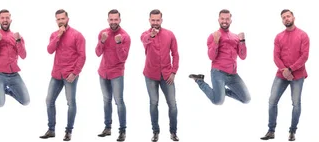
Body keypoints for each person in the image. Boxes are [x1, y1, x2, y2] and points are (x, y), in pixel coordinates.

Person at [260, 9, 309, 142]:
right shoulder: (278, 37)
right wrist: (284, 70)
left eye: (288, 16)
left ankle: (292, 132)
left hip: (297, 75)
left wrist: (290, 69)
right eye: (283, 17)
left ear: (294, 17)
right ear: (282, 20)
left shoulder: (303, 35)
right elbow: (276, 56)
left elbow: (304, 56)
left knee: (296, 103)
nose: (286, 19)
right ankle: (271, 131)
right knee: (272, 102)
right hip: (281, 74)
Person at [38, 9, 86, 141]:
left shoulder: (77, 35)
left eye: (62, 19)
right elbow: (49, 50)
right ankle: (51, 130)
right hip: (56, 74)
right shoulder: (54, 34)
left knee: (71, 103)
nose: (60, 21)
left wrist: (75, 73)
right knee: (49, 100)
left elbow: (82, 56)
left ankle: (68, 131)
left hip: (70, 75)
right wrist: (58, 36)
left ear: (67, 19)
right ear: (56, 21)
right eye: (58, 19)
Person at [188, 9, 251, 106]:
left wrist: (242, 41)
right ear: (218, 20)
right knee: (218, 101)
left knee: (246, 99)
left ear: (231, 20)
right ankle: (199, 80)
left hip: (233, 74)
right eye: (222, 19)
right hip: (218, 73)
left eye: (227, 19)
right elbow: (211, 57)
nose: (224, 21)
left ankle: (220, 91)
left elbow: (243, 57)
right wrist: (216, 41)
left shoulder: (235, 37)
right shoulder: (213, 36)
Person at [140, 9, 179, 142]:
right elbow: (144, 40)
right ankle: (155, 132)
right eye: (153, 20)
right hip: (150, 75)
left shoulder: (169, 34)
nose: (155, 23)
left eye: (157, 20)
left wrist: (173, 72)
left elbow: (175, 54)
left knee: (172, 104)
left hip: (167, 75)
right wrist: (151, 35)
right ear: (149, 20)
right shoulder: (145, 35)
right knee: (153, 103)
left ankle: (173, 132)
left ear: (161, 20)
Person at [94, 9, 131, 142]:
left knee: (119, 101)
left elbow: (123, 58)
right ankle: (107, 128)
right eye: (111, 19)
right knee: (106, 101)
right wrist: (102, 41)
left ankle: (122, 131)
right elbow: (97, 53)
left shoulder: (125, 36)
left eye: (116, 19)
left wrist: (119, 43)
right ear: (108, 20)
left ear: (120, 20)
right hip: (103, 72)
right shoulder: (103, 33)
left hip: (117, 73)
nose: (113, 22)